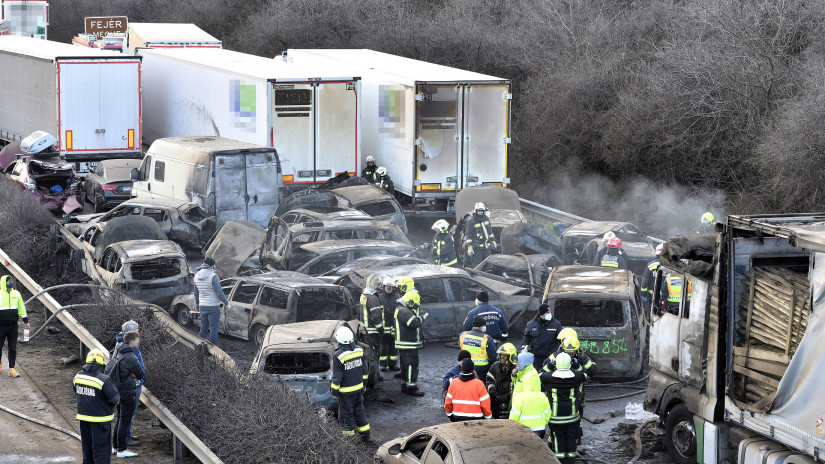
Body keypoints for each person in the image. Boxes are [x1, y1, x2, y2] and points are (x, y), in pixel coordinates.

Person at [73, 349, 120, 464]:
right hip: (100, 421)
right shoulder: (103, 379)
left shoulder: (78, 377)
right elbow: (115, 399)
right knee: (101, 452)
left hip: (84, 419)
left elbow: (76, 391)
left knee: (87, 451)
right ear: (101, 363)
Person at [540, 353, 586, 464]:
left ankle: (559, 460)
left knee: (557, 439)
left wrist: (550, 366)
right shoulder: (576, 377)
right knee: (571, 438)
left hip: (556, 418)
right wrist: (577, 365)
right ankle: (571, 460)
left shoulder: (549, 378)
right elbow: (584, 374)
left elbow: (540, 373)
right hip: (572, 417)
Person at [106, 330, 145, 459]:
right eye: (137, 339)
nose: (138, 342)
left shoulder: (118, 351)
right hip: (127, 392)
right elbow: (141, 374)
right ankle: (122, 449)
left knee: (119, 419)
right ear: (132, 341)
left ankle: (115, 446)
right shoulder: (131, 356)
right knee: (124, 421)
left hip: (117, 391)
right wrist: (132, 374)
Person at [330, 326, 371, 441]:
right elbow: (364, 370)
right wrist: (364, 384)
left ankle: (348, 440)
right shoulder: (359, 350)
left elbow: (337, 377)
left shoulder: (338, 356)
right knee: (360, 412)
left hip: (346, 393)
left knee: (345, 416)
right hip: (359, 390)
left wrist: (334, 392)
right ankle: (365, 436)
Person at [114, 321, 145, 448]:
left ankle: (123, 438)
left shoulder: (119, 346)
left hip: (125, 386)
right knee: (127, 416)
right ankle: (124, 440)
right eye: (137, 330)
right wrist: (138, 379)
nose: (138, 332)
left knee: (123, 416)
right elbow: (139, 371)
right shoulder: (130, 350)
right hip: (130, 387)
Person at [394, 290, 427, 396]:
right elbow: (413, 323)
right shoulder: (405, 311)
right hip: (408, 344)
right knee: (411, 366)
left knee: (405, 366)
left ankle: (404, 385)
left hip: (404, 343)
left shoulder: (401, 309)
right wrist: (421, 318)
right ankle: (411, 388)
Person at [193, 257, 229, 346]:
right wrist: (226, 303)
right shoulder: (213, 276)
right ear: (212, 265)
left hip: (202, 306)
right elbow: (219, 293)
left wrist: (197, 304)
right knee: (213, 329)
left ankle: (200, 347)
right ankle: (213, 351)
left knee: (203, 328)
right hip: (213, 306)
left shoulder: (196, 275)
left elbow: (196, 293)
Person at [0, 275, 28, 378]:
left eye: (11, 281)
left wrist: (26, 320)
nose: (10, 282)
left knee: (13, 348)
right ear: (4, 283)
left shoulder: (16, 294)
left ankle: (12, 369)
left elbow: (21, 308)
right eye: (8, 281)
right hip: (1, 326)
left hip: (13, 326)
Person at [521, 304, 562, 371]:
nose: (550, 314)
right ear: (542, 314)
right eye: (547, 312)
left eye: (550, 312)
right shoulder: (531, 324)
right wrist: (524, 346)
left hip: (550, 357)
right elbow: (526, 337)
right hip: (536, 358)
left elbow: (561, 339)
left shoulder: (556, 324)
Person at [458, 316, 497, 380]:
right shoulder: (487, 339)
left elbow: (460, 348)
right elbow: (493, 357)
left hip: (465, 367)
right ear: (482, 326)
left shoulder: (462, 335)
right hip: (482, 370)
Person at [486, 343, 517, 419]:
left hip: (510, 403)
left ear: (511, 357)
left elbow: (518, 386)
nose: (502, 357)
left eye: (505, 355)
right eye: (501, 355)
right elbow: (489, 379)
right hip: (495, 401)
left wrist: (508, 396)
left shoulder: (515, 370)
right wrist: (492, 392)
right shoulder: (495, 366)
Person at [464, 202, 498, 267]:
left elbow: (489, 231)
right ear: (476, 211)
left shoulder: (486, 219)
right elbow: (469, 235)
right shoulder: (471, 221)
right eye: (479, 211)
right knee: (478, 266)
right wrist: (470, 247)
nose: (480, 212)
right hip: (477, 249)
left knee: (489, 266)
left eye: (482, 211)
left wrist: (493, 241)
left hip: (487, 248)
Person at [377, 277, 400, 371]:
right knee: (384, 347)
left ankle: (392, 364)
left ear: (393, 287)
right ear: (384, 286)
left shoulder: (398, 297)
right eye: (387, 286)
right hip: (384, 328)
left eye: (390, 286)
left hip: (395, 327)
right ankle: (383, 364)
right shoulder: (379, 298)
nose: (388, 288)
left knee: (394, 347)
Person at [360, 275, 384, 359]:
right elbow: (376, 318)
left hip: (364, 332)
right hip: (373, 333)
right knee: (374, 357)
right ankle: (375, 372)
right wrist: (381, 330)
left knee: (367, 356)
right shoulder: (373, 299)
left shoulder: (363, 296)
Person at [641, 244, 663, 309]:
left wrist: (643, 294)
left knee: (652, 311)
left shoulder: (650, 265)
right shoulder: (671, 266)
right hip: (666, 297)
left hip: (652, 295)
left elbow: (645, 281)